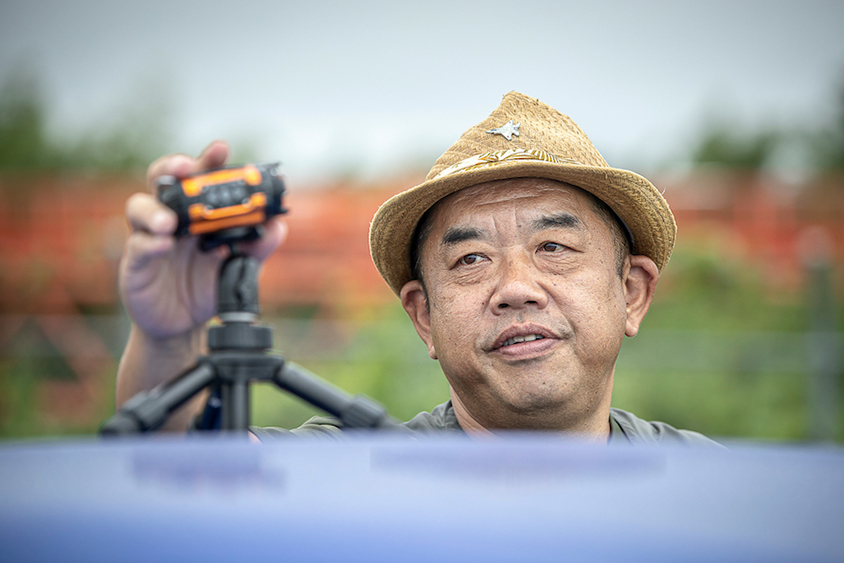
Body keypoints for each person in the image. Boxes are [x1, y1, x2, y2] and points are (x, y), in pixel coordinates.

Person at [117, 92, 718, 445]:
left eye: (553, 247)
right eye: (471, 258)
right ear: (423, 315)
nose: (515, 288)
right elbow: (185, 469)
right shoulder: (356, 477)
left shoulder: (714, 489)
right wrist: (169, 336)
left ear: (632, 292)